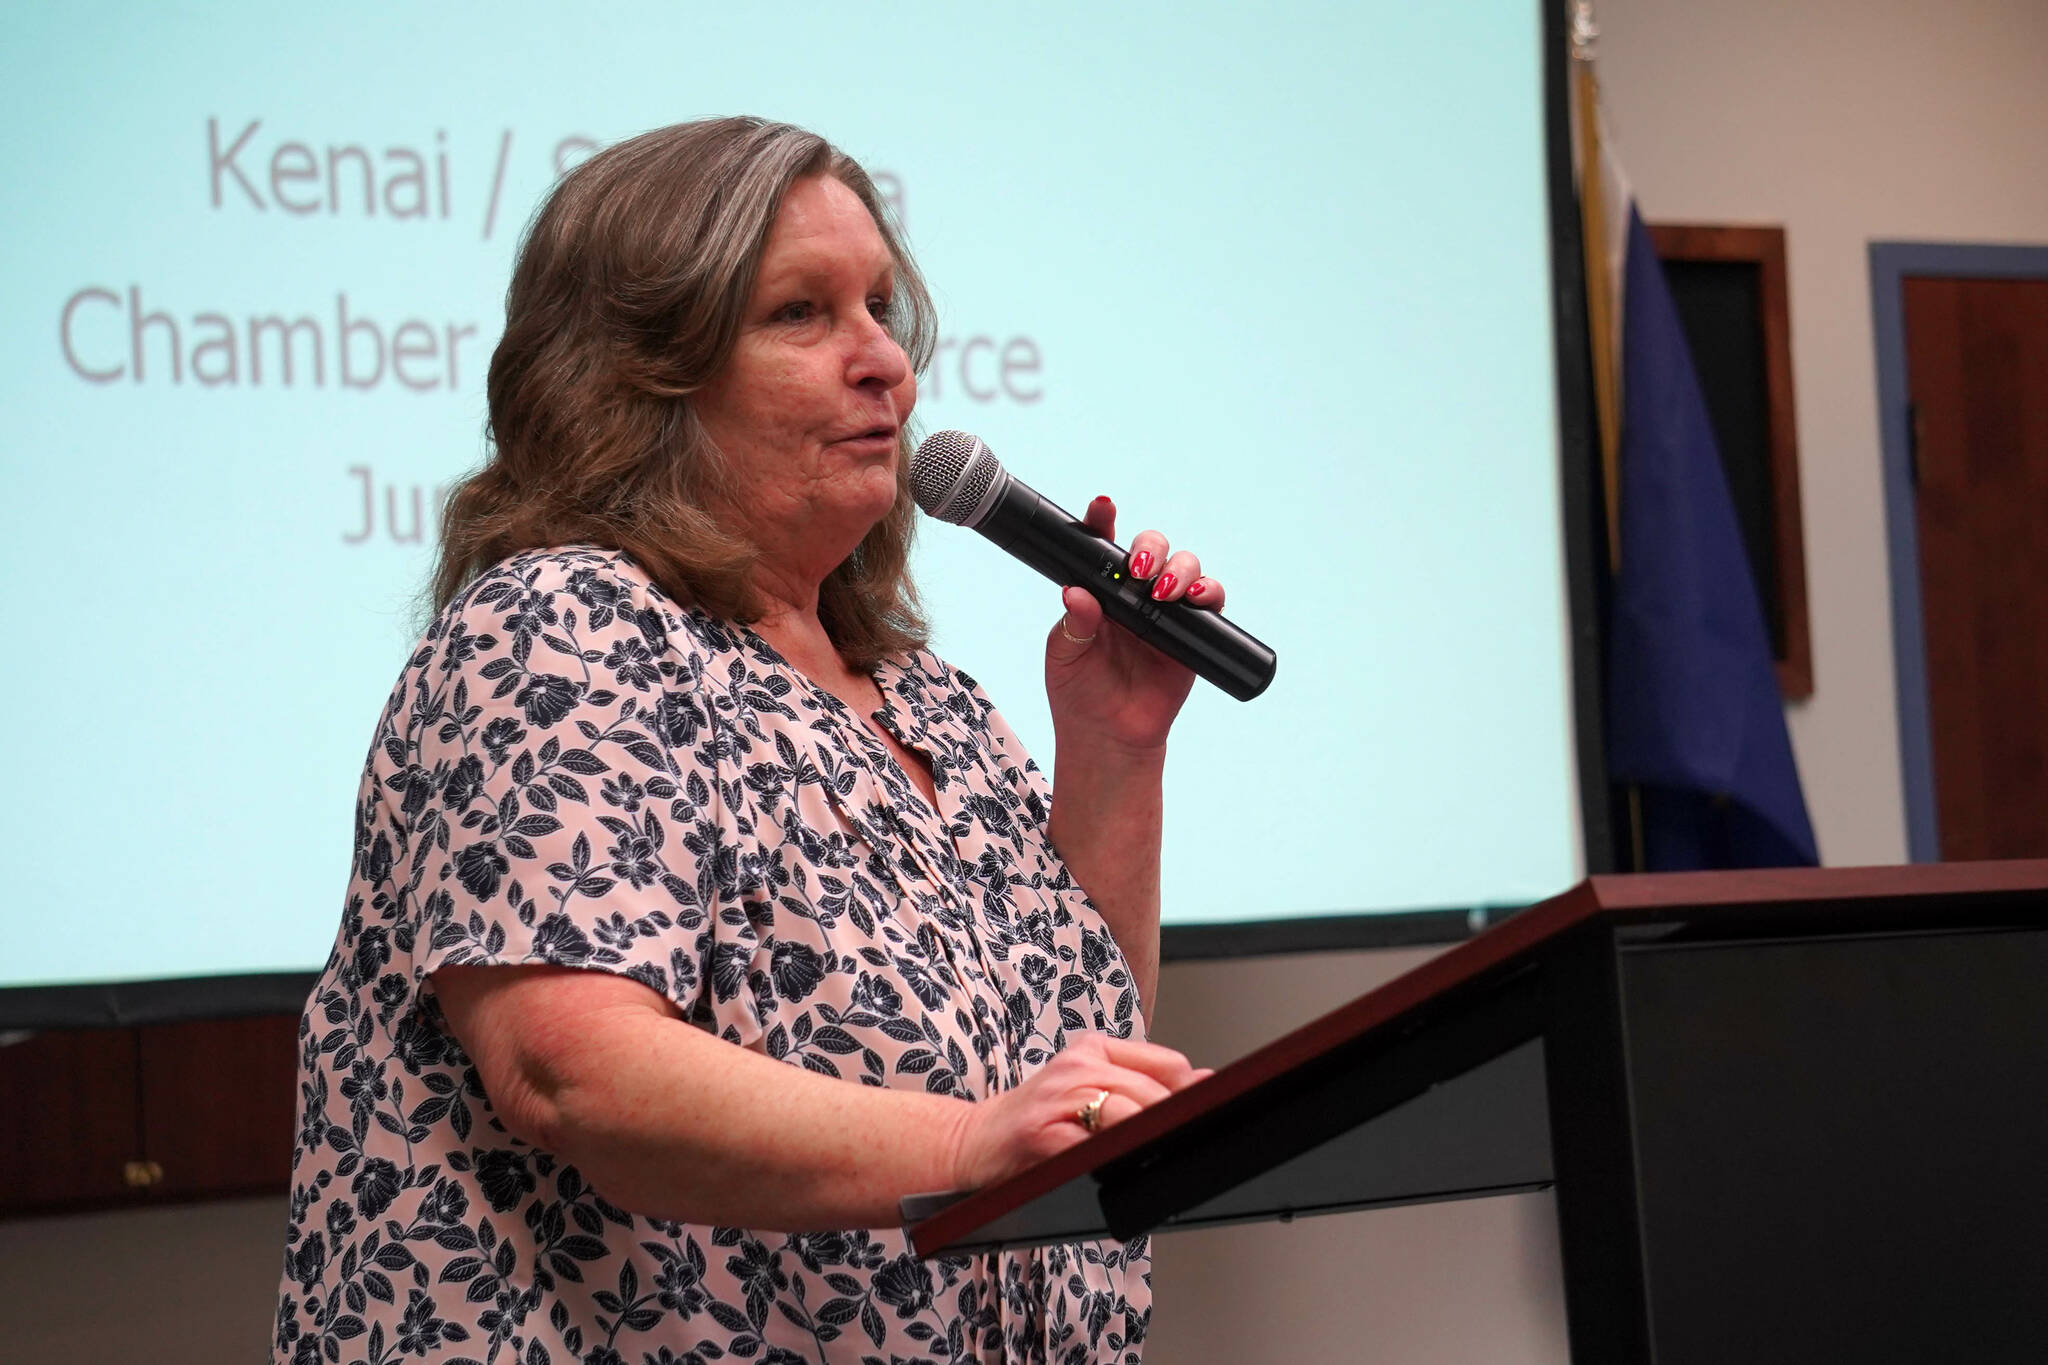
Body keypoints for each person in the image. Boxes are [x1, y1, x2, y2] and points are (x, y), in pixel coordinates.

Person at [274, 116, 1225, 1365]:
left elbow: (1074, 1065)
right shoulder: (558, 628)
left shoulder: (926, 701)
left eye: (882, 308)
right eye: (800, 313)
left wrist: (1116, 745)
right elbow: (572, 1070)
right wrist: (961, 1147)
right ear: (635, 376)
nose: (882, 358)